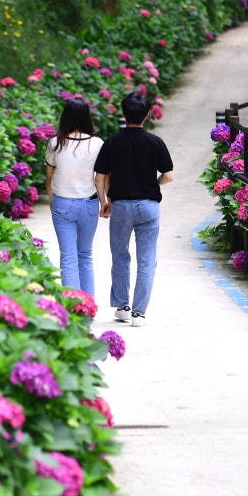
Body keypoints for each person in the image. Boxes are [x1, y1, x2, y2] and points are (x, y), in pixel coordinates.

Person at [94, 91, 174, 327]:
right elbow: (168, 176)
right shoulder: (155, 142)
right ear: (147, 116)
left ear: (122, 113)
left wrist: (104, 201)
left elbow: (100, 177)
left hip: (120, 206)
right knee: (147, 259)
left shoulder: (112, 142)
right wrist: (153, 185)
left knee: (120, 256)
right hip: (149, 207)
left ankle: (123, 307)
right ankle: (139, 313)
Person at [45, 96, 106, 298]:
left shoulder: (55, 143)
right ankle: (89, 304)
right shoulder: (97, 144)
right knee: (85, 255)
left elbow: (49, 176)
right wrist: (105, 200)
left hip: (62, 203)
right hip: (89, 204)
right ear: (87, 117)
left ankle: (73, 307)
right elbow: (101, 177)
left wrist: (53, 198)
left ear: (65, 117)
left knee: (68, 257)